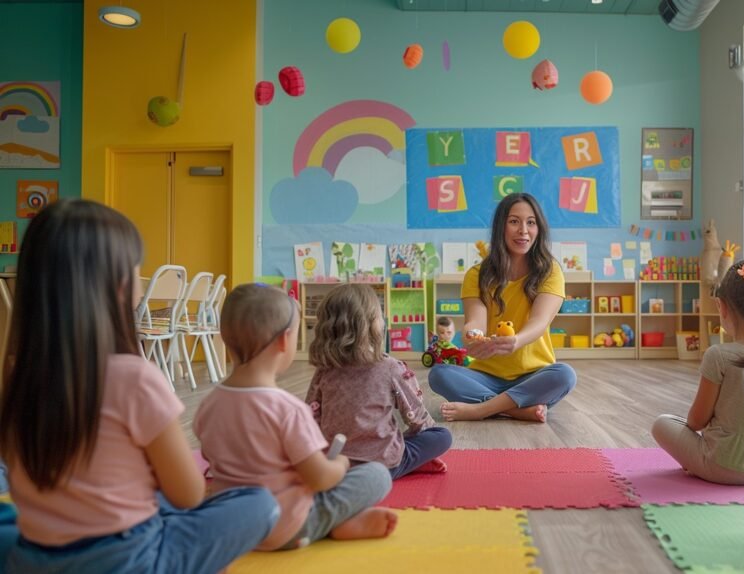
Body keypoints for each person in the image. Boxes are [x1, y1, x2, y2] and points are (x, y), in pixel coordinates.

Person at [0, 200, 279, 573]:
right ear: (118, 286)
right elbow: (188, 494)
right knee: (259, 504)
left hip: (33, 560)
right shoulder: (134, 378)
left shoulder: (17, 379)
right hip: (132, 562)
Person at [194, 284, 397, 551]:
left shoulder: (209, 404)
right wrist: (342, 464)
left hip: (232, 525)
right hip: (284, 527)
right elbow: (321, 479)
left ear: (223, 337)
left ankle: (332, 522)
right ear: (283, 341)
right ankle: (329, 523)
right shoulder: (288, 409)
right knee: (377, 475)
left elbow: (213, 459)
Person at [428, 193, 577, 423]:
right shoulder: (477, 275)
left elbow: (539, 321)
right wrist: (472, 336)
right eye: (514, 221)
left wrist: (516, 341)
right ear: (501, 227)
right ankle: (516, 409)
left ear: (539, 228)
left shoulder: (550, 271)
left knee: (564, 375)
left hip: (533, 375)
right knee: (439, 374)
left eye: (531, 222)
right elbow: (475, 321)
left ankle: (481, 409)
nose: (523, 230)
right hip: (485, 376)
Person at [651, 259, 744, 485]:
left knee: (662, 423)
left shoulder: (718, 355)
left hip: (721, 464)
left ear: (722, 307)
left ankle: (698, 467)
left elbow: (696, 421)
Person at [306, 284, 452, 480]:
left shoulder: (324, 370)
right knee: (442, 435)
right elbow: (417, 417)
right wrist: (421, 445)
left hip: (336, 466)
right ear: (372, 324)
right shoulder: (390, 367)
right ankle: (411, 463)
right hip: (383, 464)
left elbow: (310, 417)